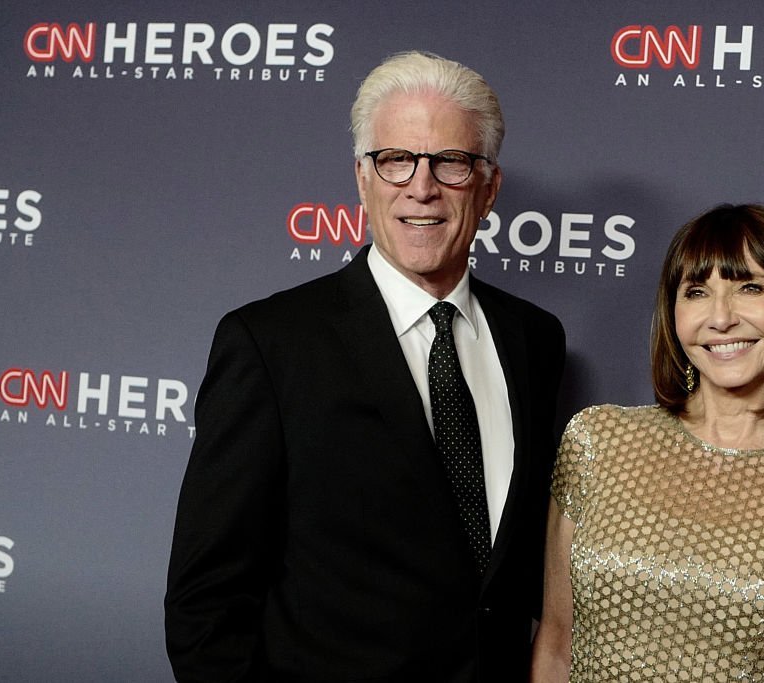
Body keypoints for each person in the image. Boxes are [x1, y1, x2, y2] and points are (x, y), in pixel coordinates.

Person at [165, 51, 565, 683]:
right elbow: (205, 603)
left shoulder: (535, 339)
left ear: (489, 187)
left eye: (451, 163)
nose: (421, 186)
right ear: (362, 178)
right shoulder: (271, 343)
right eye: (395, 159)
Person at [531, 204, 764, 682]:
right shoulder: (598, 442)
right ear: (674, 313)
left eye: (750, 287)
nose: (720, 318)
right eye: (697, 292)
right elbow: (557, 644)